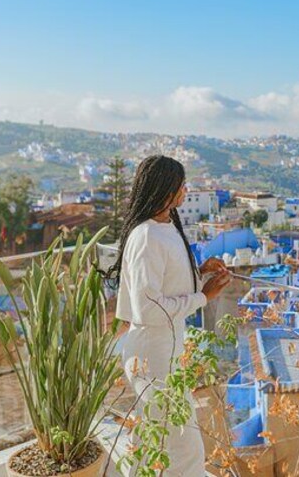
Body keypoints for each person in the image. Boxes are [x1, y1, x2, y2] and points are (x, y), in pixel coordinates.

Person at [109, 155, 230, 475]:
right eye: (180, 185)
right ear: (165, 189)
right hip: (153, 349)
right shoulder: (147, 236)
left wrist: (199, 273)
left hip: (165, 347)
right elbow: (148, 307)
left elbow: (165, 283)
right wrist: (202, 297)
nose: (185, 190)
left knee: (160, 438)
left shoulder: (165, 227)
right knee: (181, 442)